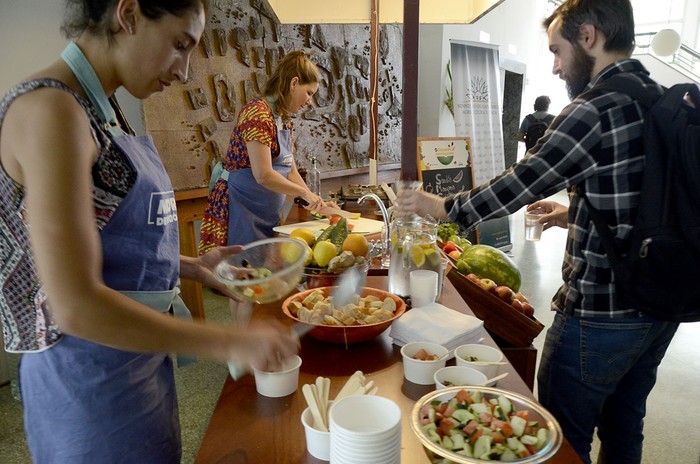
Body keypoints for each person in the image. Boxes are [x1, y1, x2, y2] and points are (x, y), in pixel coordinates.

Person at [0, 1, 298, 462]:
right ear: (130, 14)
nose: (183, 71)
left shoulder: (106, 107)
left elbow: (99, 244)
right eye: (180, 45)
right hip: (87, 382)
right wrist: (231, 340)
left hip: (139, 359)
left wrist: (193, 268)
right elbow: (75, 304)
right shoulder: (50, 109)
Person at [395, 1, 680, 462]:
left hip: (601, 312)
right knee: (626, 427)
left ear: (588, 36)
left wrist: (444, 205)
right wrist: (576, 213)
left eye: (557, 49)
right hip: (661, 306)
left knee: (560, 437)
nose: (555, 65)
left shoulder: (595, 107)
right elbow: (646, 199)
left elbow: (522, 180)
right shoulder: (657, 97)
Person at [199, 50, 331, 254]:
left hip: (264, 212)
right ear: (294, 83)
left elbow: (291, 171)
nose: (309, 102)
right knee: (241, 273)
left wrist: (313, 200)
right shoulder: (257, 114)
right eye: (309, 93)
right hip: (239, 209)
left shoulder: (283, 120)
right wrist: (304, 193)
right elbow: (263, 175)